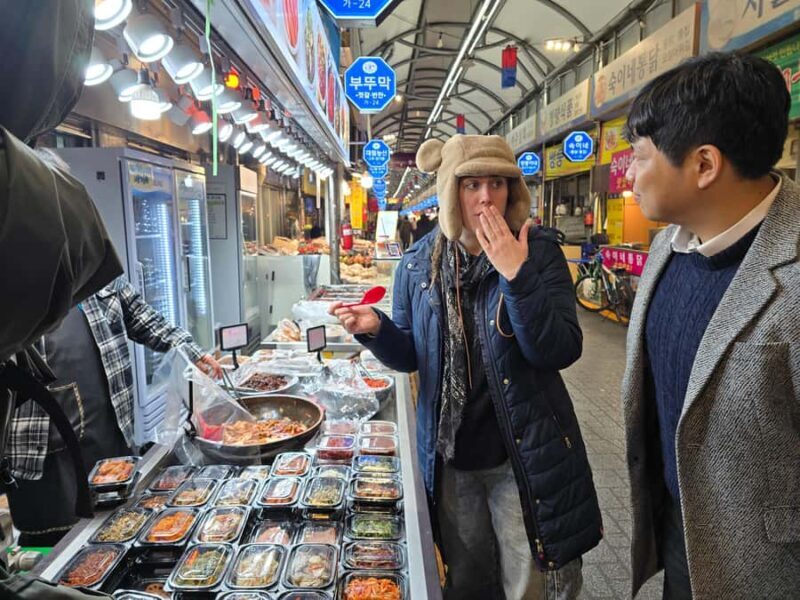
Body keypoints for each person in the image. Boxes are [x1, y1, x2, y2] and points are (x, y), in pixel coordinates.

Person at [331, 135, 602, 600]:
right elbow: (413, 356)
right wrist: (376, 330)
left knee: (529, 585)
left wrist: (517, 276)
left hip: (522, 456)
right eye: (471, 184)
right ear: (449, 193)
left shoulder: (538, 253)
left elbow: (558, 349)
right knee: (469, 580)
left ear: (512, 189)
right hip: (452, 455)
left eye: (496, 183)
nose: (484, 197)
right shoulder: (418, 265)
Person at [621, 52, 799, 599]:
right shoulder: (666, 249)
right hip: (682, 538)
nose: (629, 175)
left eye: (639, 156)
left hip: (764, 572)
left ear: (704, 165)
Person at [4, 275, 222, 546]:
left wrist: (193, 352)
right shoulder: (12, 270)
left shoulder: (96, 268)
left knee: (114, 530)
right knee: (53, 549)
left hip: (110, 426)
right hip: (43, 448)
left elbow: (144, 317)